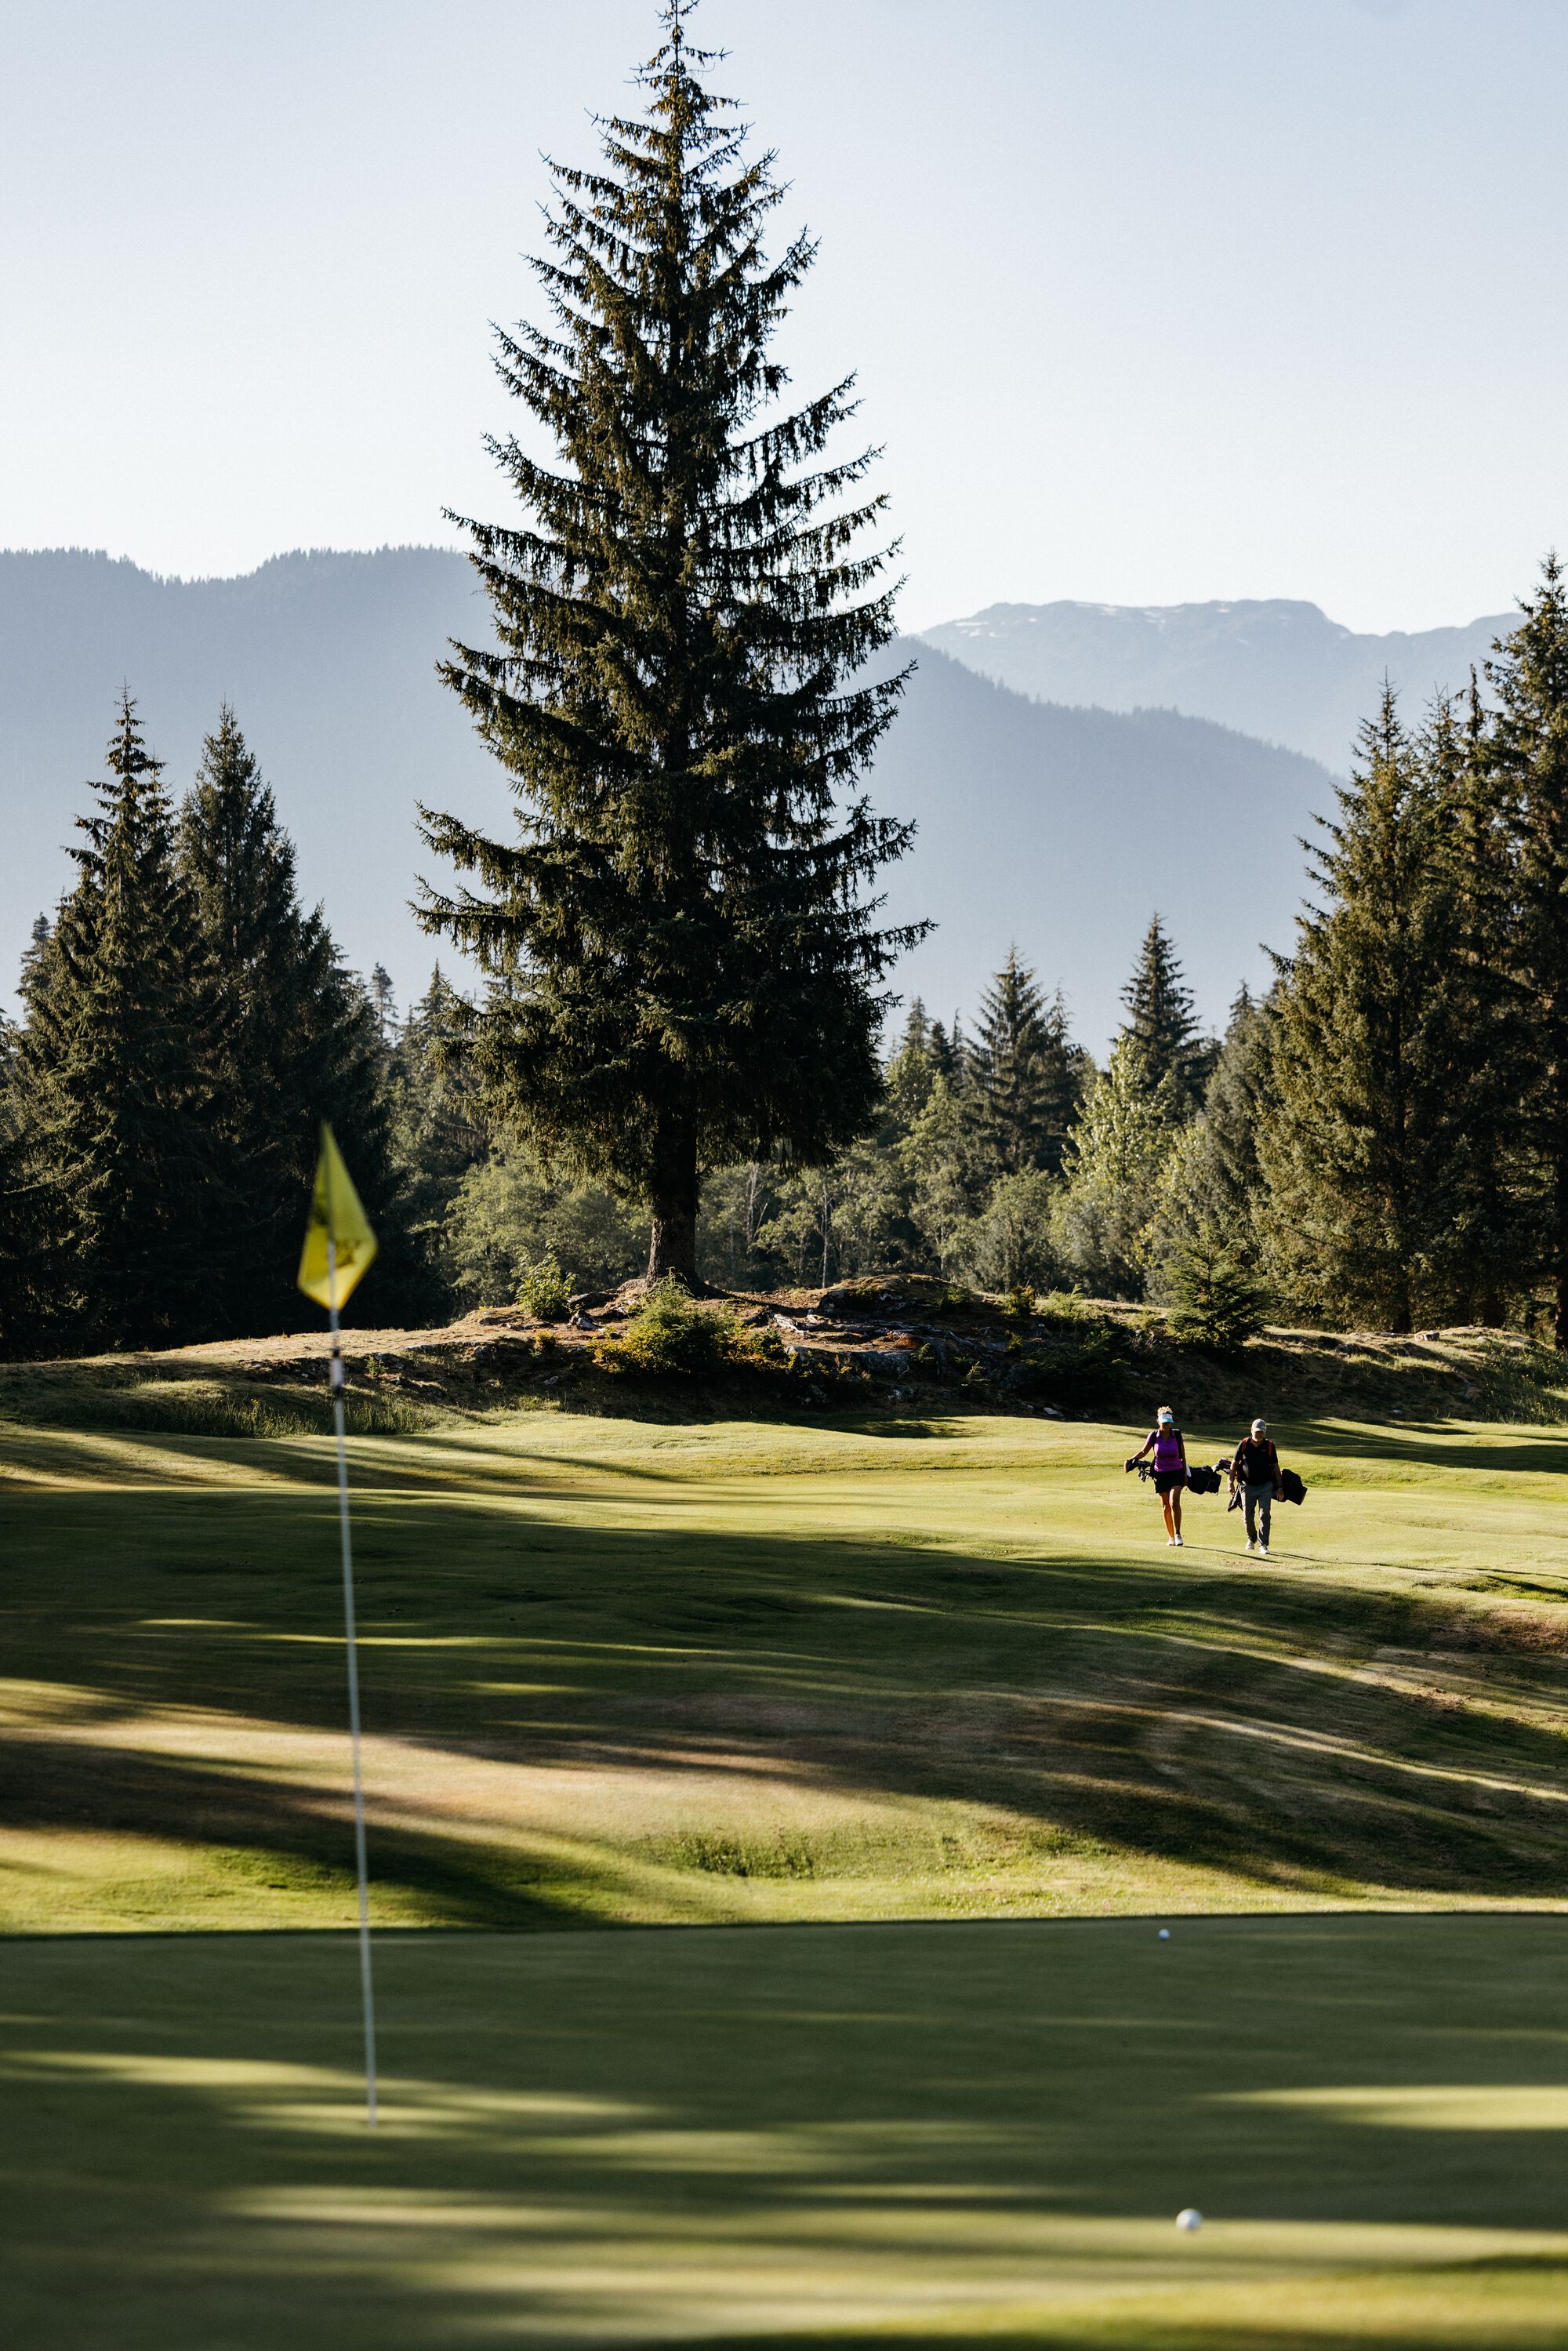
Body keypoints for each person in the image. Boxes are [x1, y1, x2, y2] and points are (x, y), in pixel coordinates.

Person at [1130, 1404, 1189, 1546]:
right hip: (1160, 1473)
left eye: (1168, 1422)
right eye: (1164, 1422)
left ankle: (1178, 1534)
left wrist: (1185, 1476)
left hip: (1176, 1472)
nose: (1166, 1425)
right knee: (1165, 1506)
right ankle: (1171, 1537)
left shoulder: (1177, 1434)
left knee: (1174, 1502)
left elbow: (1183, 1456)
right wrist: (1132, 1459)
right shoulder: (1153, 1436)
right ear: (1158, 1422)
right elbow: (1144, 1452)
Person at [1230, 1416, 1283, 1557]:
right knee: (1247, 1515)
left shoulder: (1270, 1446)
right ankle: (1251, 1538)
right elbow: (1235, 1464)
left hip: (1266, 1485)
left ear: (1265, 1433)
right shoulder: (1244, 1444)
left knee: (1265, 1514)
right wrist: (1230, 1482)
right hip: (1247, 1486)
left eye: (1262, 1432)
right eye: (1257, 1431)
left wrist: (1279, 1487)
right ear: (1251, 1430)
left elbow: (1275, 1467)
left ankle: (1263, 1544)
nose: (1259, 1434)